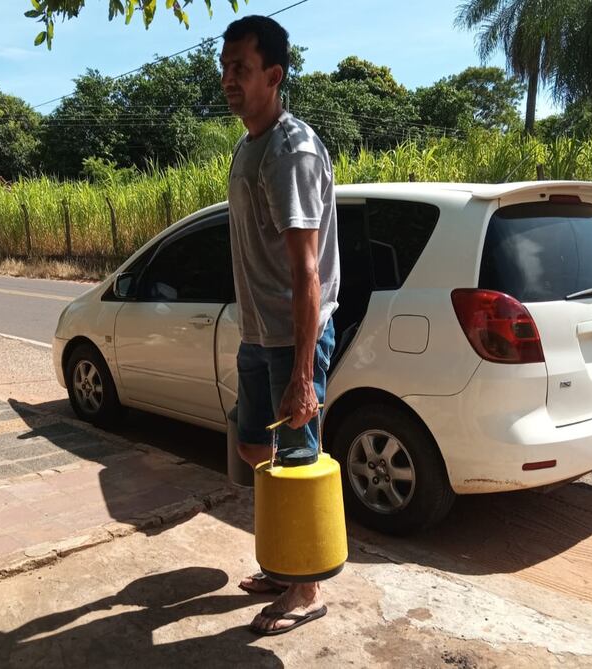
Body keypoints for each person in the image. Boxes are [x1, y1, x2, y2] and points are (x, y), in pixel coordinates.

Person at [221, 16, 340, 635]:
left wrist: (302, 374)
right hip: (257, 331)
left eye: (240, 68)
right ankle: (285, 560)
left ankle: (306, 587)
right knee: (253, 447)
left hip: (294, 335)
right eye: (225, 68)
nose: (228, 80)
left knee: (295, 455)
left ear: (274, 74)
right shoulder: (249, 145)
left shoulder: (291, 151)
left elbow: (307, 272)